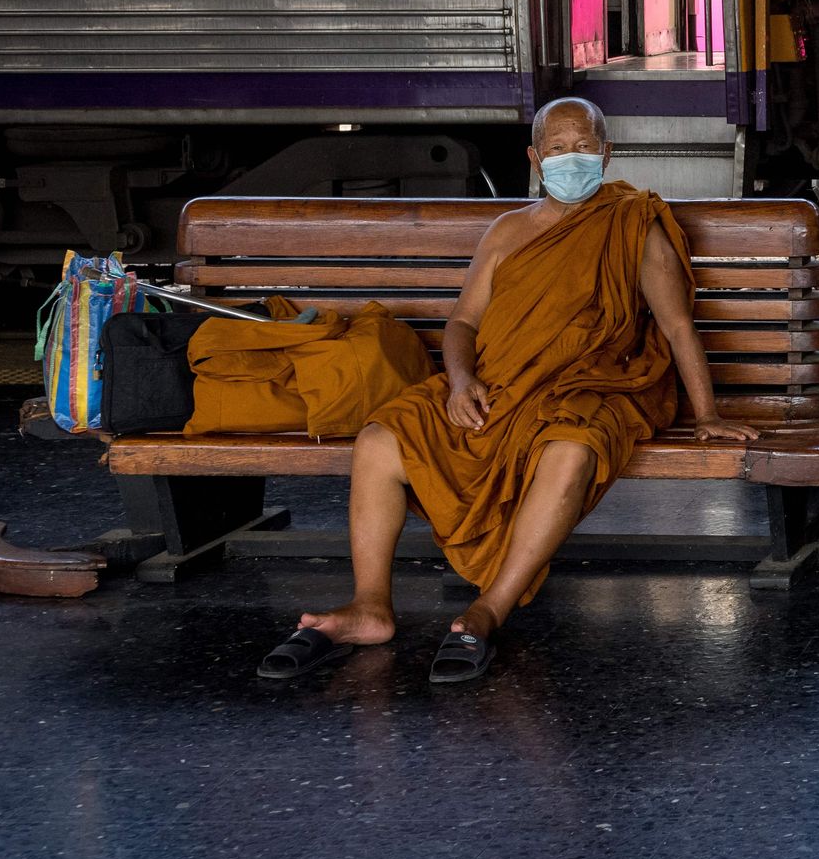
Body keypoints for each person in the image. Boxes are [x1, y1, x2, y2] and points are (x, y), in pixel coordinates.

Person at [258, 97, 758, 684]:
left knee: (570, 449)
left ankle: (489, 609)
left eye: (583, 148)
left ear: (607, 152)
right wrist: (461, 382)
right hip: (496, 382)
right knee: (381, 438)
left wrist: (707, 413)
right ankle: (370, 605)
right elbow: (464, 323)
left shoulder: (633, 225)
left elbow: (676, 325)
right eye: (557, 148)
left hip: (592, 384)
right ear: (534, 157)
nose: (571, 159)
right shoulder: (508, 231)